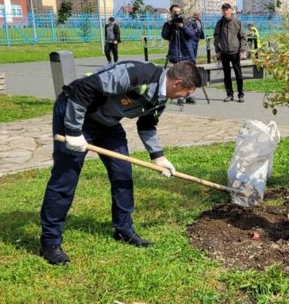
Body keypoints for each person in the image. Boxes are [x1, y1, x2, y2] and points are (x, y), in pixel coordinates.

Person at [38, 60, 202, 265]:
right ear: (177, 83)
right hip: (75, 109)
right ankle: (50, 241)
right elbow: (83, 89)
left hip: (107, 122)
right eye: (187, 93)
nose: (185, 98)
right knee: (66, 177)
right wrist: (73, 131)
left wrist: (158, 156)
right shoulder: (136, 75)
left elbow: (147, 123)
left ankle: (123, 230)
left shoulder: (162, 96)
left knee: (123, 174)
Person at [161, 4, 197, 104]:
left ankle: (189, 94)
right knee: (177, 75)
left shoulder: (186, 22)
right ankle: (179, 95)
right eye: (175, 12)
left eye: (178, 12)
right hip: (175, 53)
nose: (177, 14)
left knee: (188, 75)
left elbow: (192, 35)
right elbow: (165, 36)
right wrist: (169, 25)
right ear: (171, 13)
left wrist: (183, 27)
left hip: (186, 52)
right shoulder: (168, 24)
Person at [213, 3, 247, 102]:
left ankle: (240, 95)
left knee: (238, 75)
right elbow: (216, 37)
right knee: (226, 75)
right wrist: (218, 50)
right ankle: (229, 94)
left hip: (235, 52)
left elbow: (243, 37)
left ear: (231, 10)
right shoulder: (220, 23)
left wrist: (242, 50)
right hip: (224, 53)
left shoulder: (237, 22)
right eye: (223, 10)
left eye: (227, 10)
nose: (225, 12)